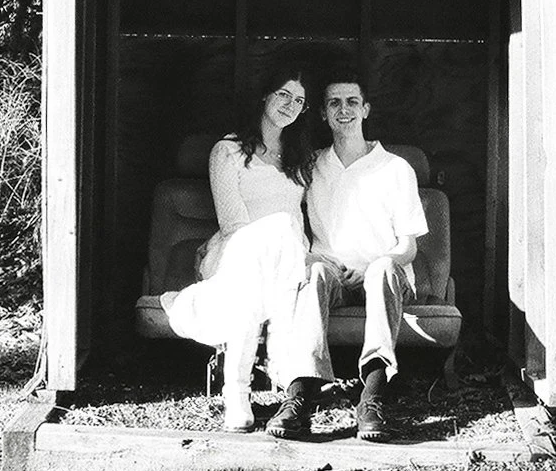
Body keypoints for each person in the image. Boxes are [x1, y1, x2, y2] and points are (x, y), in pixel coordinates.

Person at [266, 65, 428, 443]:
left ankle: (372, 395)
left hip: (384, 275)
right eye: (334, 103)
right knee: (315, 273)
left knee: (384, 268)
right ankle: (300, 395)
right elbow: (286, 217)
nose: (344, 109)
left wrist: (377, 264)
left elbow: (409, 247)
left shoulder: (394, 168)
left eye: (352, 101)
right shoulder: (311, 165)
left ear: (366, 109)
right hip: (333, 274)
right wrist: (307, 257)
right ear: (322, 113)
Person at [161, 62, 325, 432]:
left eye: (299, 100)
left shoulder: (300, 157)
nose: (290, 104)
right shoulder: (229, 151)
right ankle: (251, 384)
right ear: (265, 95)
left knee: (283, 242)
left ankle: (239, 389)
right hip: (236, 252)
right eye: (283, 94)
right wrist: (278, 242)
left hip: (288, 259)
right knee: (273, 241)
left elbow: (306, 220)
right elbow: (232, 223)